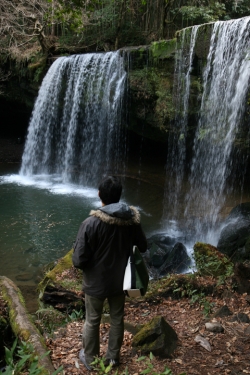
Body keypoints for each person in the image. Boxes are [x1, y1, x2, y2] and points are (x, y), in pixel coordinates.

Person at [72, 175, 147, 370]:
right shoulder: (132, 221)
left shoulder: (90, 223)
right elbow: (144, 246)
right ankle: (113, 358)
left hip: (95, 282)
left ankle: (90, 359)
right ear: (119, 196)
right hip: (120, 281)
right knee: (116, 318)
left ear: (99, 195)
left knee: (92, 320)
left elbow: (78, 260)